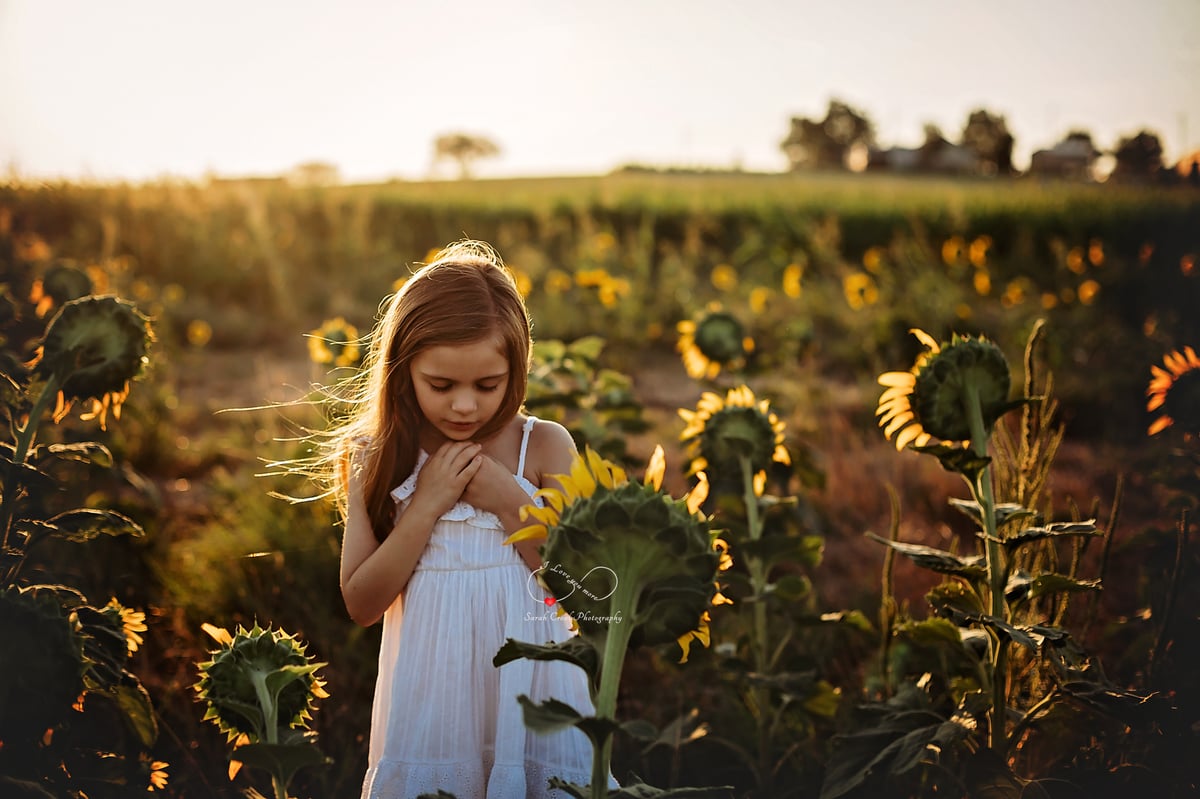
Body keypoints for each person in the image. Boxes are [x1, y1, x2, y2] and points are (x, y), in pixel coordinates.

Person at [327, 240, 611, 798]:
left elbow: (584, 598)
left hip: (537, 700)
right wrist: (427, 504)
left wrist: (511, 504)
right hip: (435, 708)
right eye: (441, 385)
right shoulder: (376, 455)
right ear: (403, 370)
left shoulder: (544, 448)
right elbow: (361, 604)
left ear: (517, 368)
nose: (464, 406)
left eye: (487, 385)